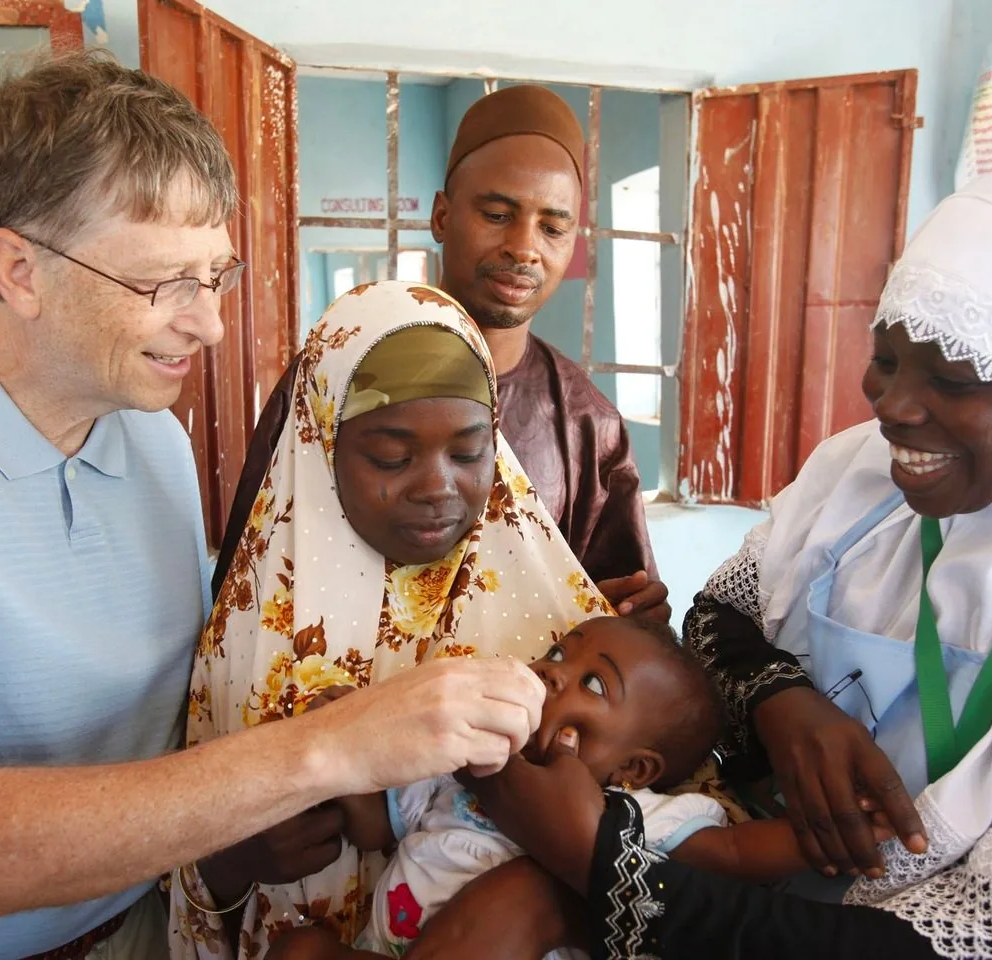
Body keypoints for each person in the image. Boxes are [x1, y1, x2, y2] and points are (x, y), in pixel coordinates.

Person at [0, 53, 545, 960]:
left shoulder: (150, 438)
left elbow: (193, 714)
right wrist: (334, 747)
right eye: (162, 284)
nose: (207, 323)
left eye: (216, 274)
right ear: (18, 270)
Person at [388, 166, 992, 959]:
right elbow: (720, 618)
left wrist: (592, 866)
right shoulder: (863, 482)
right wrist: (782, 699)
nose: (893, 407)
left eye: (953, 380)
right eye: (886, 357)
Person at [171, 281, 640, 960]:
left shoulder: (561, 625)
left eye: (470, 452)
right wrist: (226, 863)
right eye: (391, 458)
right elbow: (178, 860)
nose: (437, 487)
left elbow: (670, 846)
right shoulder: (253, 629)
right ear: (320, 444)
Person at [217, 85, 668, 623]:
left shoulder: (587, 424)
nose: (524, 247)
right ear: (441, 216)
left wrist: (634, 619)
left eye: (552, 227)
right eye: (498, 214)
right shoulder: (337, 376)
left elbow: (615, 623)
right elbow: (247, 585)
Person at [266, 614, 824, 960]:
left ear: (634, 770)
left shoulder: (629, 815)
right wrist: (347, 730)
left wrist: (827, 832)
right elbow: (371, 830)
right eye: (558, 652)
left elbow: (730, 852)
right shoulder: (463, 763)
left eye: (593, 683)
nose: (552, 671)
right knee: (300, 950)